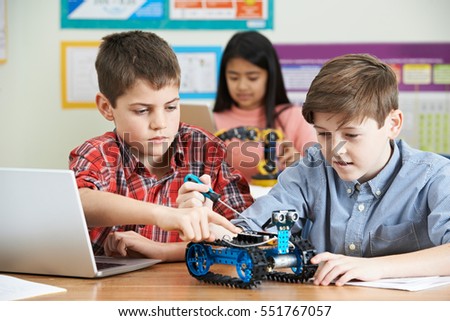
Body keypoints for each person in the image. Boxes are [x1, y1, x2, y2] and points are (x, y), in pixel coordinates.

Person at [224, 53, 450, 285]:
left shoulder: (435, 176)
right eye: (323, 134)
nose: (336, 150)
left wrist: (377, 267)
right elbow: (249, 230)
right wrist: (218, 232)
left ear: (393, 124)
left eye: (351, 135)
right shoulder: (310, 170)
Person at [69, 30, 252, 262]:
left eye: (171, 107)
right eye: (142, 110)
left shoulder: (205, 149)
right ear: (106, 107)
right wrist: (163, 215)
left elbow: (245, 234)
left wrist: (163, 250)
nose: (160, 124)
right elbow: (76, 202)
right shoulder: (98, 154)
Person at [213, 31, 316, 182]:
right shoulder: (211, 121)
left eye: (252, 77)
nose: (242, 86)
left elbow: (322, 175)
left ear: (270, 76)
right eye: (233, 77)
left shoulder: (292, 116)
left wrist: (299, 163)